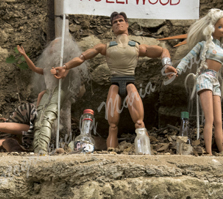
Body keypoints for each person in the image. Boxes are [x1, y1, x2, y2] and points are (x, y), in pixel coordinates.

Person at [52, 12, 175, 152]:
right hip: (115, 83)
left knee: (140, 122)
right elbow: (82, 57)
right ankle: (112, 153)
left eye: (121, 20)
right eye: (114, 22)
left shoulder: (136, 46)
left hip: (130, 82)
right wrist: (65, 67)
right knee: (112, 126)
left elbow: (162, 50)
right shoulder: (105, 47)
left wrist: (166, 65)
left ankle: (145, 153)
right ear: (112, 27)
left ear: (127, 24)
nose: (118, 23)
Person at [173, 8, 223, 154]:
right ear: (211, 28)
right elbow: (187, 58)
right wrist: (177, 70)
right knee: (208, 119)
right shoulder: (203, 45)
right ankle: (209, 152)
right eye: (220, 27)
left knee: (218, 121)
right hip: (204, 79)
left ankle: (221, 151)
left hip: (215, 81)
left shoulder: (222, 47)